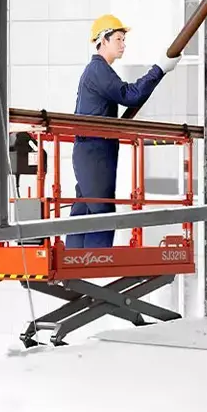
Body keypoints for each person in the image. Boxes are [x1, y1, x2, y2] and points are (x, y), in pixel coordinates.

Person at [66, 14, 181, 248]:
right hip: (95, 150)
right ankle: (97, 260)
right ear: (103, 40)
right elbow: (130, 95)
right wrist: (159, 69)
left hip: (93, 150)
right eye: (118, 39)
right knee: (101, 208)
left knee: (86, 205)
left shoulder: (97, 71)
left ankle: (73, 257)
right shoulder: (98, 70)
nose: (123, 44)